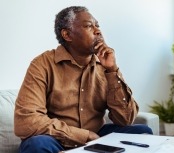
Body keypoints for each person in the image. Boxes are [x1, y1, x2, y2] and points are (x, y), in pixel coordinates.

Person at [14, 6, 152, 153]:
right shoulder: (42, 64)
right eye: (88, 26)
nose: (98, 31)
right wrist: (83, 136)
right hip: (57, 140)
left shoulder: (105, 65)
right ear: (67, 35)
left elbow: (125, 119)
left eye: (97, 25)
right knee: (37, 144)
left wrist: (112, 71)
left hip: (97, 137)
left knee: (142, 132)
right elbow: (26, 121)